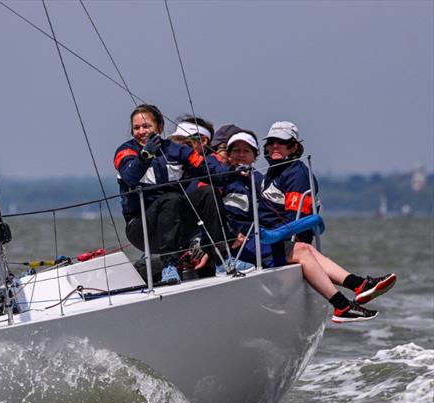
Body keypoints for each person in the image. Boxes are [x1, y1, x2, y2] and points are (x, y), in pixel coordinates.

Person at [253, 121, 396, 322]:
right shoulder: (272, 173)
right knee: (307, 250)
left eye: (282, 142)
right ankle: (359, 286)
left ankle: (351, 295)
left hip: (280, 243)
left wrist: (273, 237)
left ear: (294, 147)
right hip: (275, 243)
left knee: (305, 250)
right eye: (272, 142)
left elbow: (297, 219)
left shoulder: (296, 172)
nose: (275, 146)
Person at [114, 105, 234, 285]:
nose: (141, 131)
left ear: (159, 127)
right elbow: (130, 177)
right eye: (136, 128)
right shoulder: (126, 151)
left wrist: (234, 172)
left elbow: (207, 168)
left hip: (175, 222)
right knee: (171, 198)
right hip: (141, 228)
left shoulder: (175, 150)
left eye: (146, 126)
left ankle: (221, 257)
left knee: (207, 192)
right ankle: (169, 266)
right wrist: (145, 155)